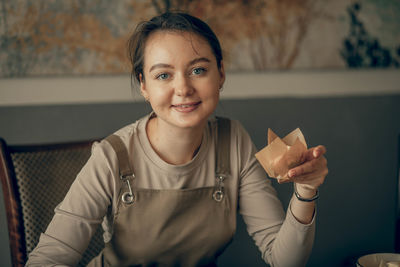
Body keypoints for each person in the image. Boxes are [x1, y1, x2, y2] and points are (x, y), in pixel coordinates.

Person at [26, 12, 328, 267]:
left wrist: (306, 190)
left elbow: (284, 259)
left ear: (221, 74)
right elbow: (46, 260)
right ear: (143, 85)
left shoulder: (234, 141)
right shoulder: (111, 155)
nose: (183, 88)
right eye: (163, 75)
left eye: (198, 70)